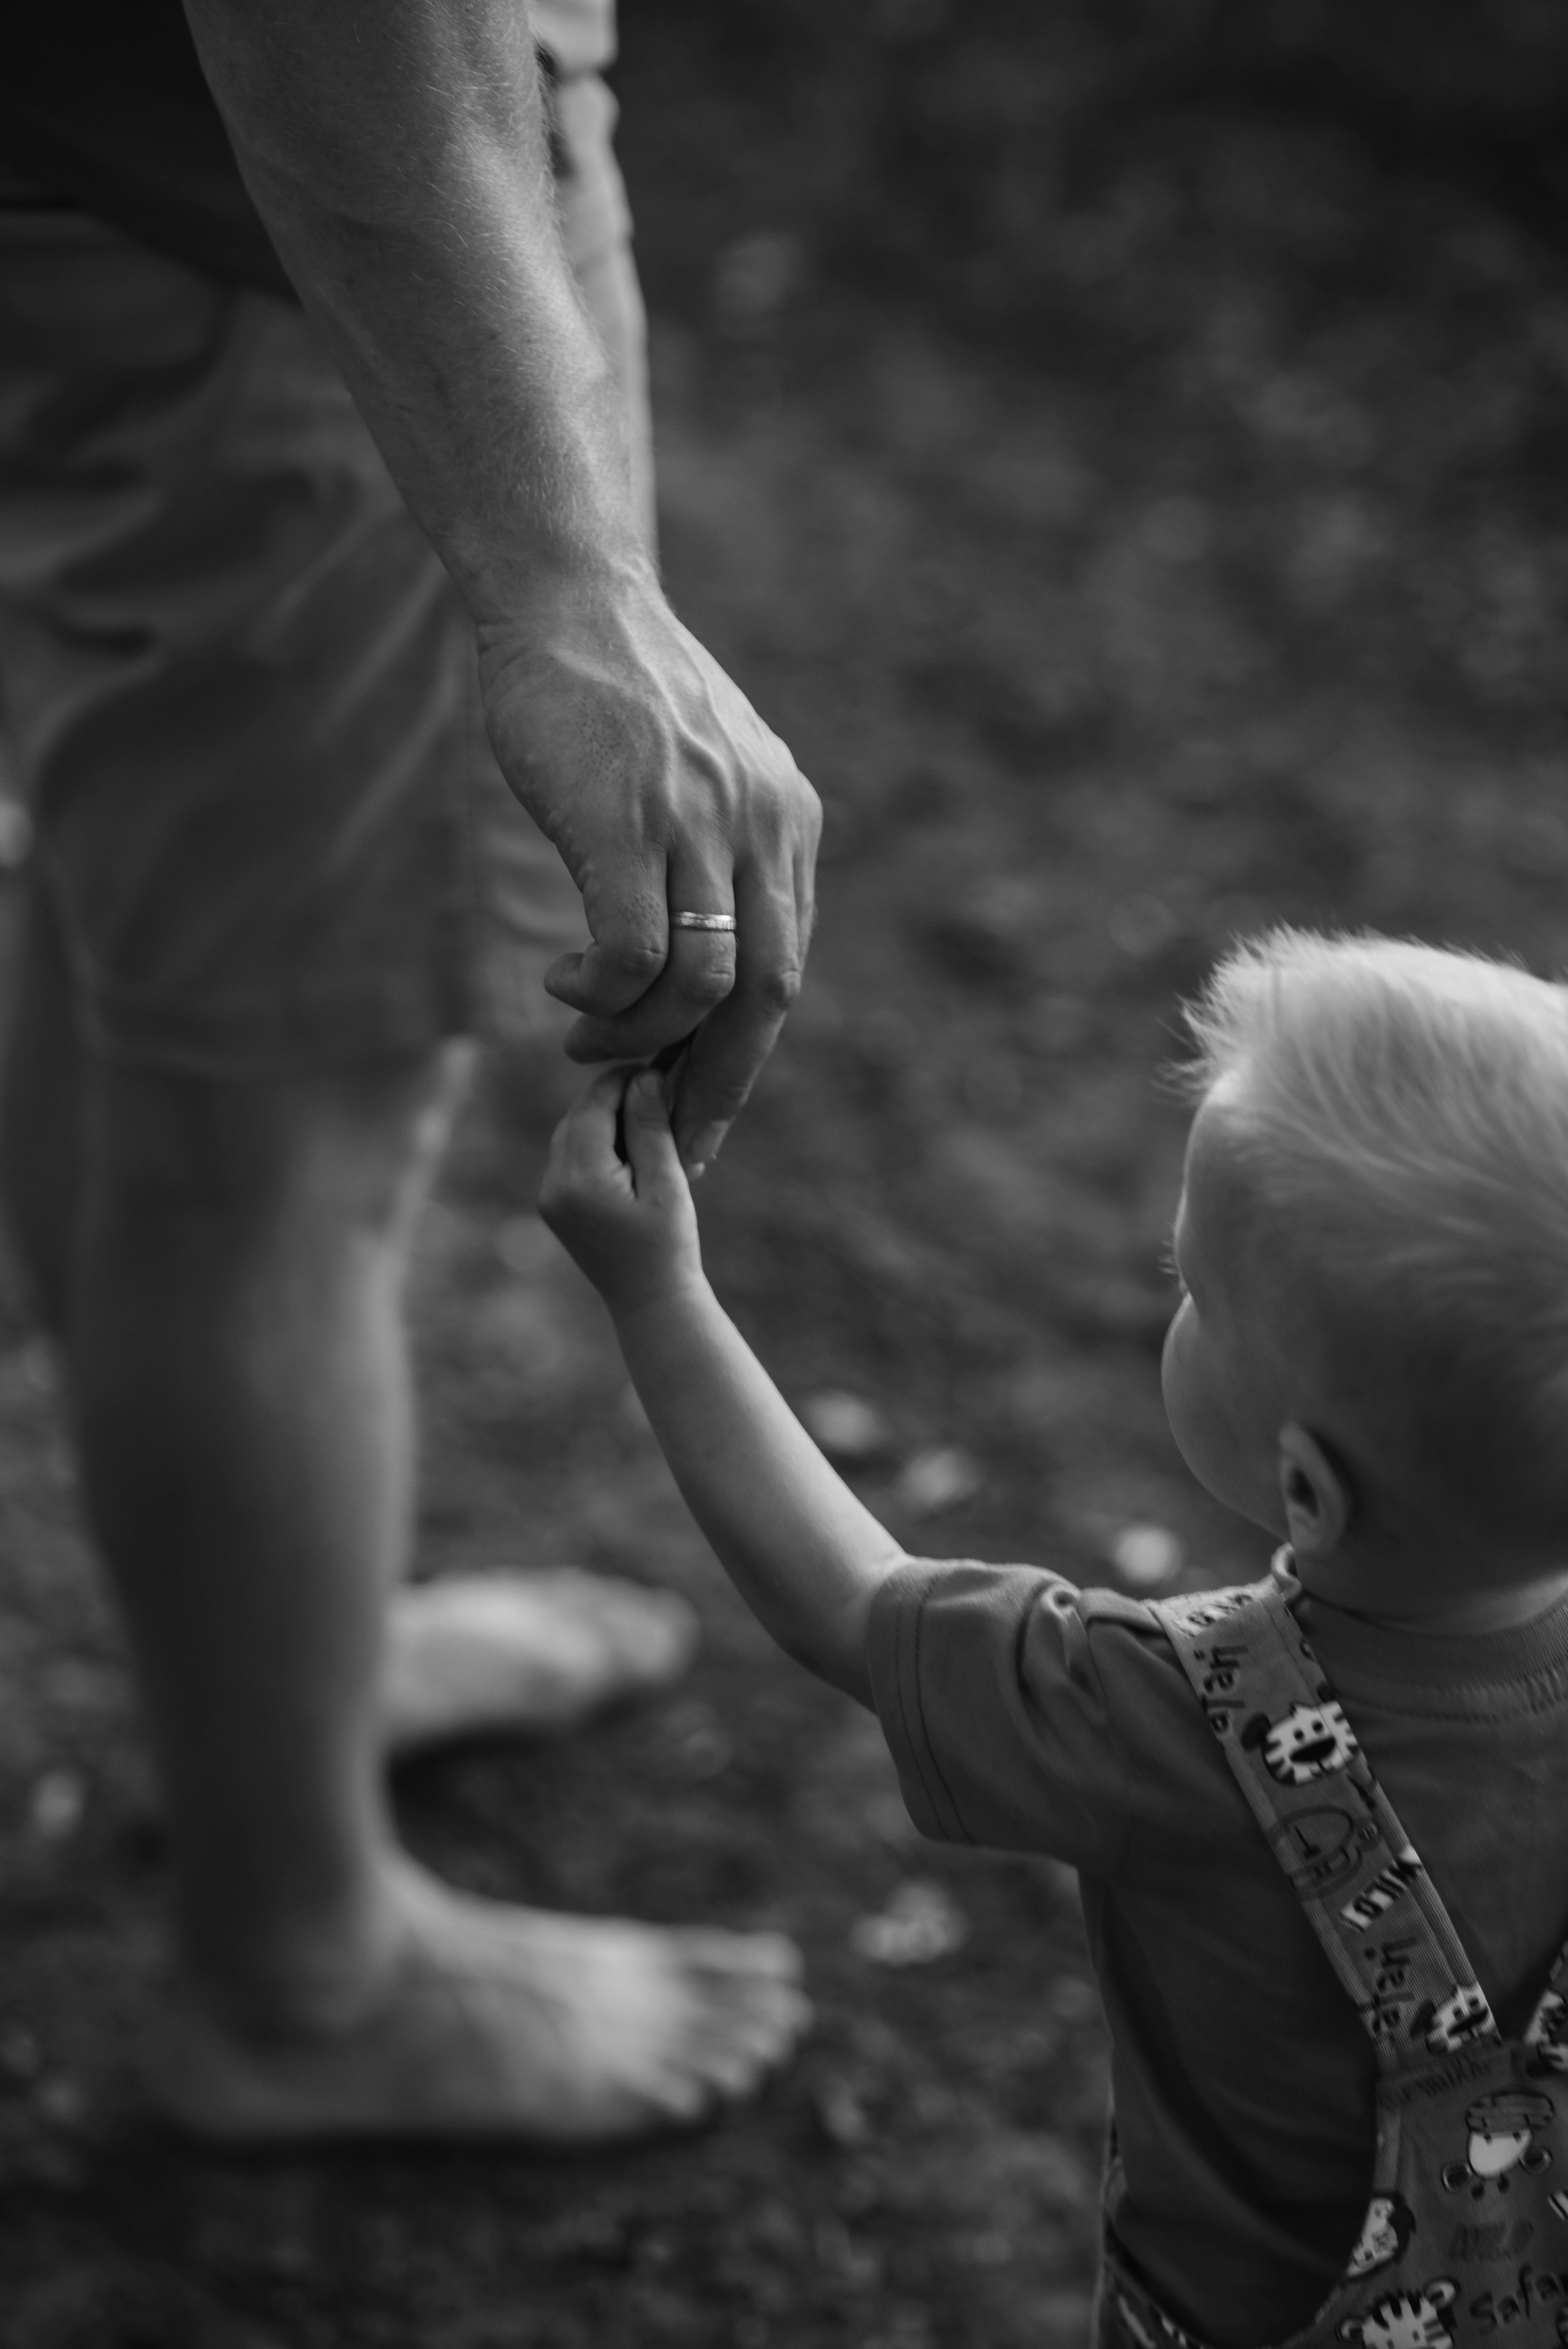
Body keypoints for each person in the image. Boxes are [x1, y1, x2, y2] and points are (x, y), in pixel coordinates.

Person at [0, 0, 816, 2143]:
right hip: (274, 243)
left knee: (147, 981)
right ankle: (303, 1968)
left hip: (147, 185)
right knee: (280, 1134)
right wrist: (559, 573)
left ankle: (278, 1677)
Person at [540, 927, 1568, 2343]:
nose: (1172, 1298)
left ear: (1303, 1489)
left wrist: (657, 1292)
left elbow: (847, 1605)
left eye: (1191, 1292)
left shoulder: (1170, 1722)